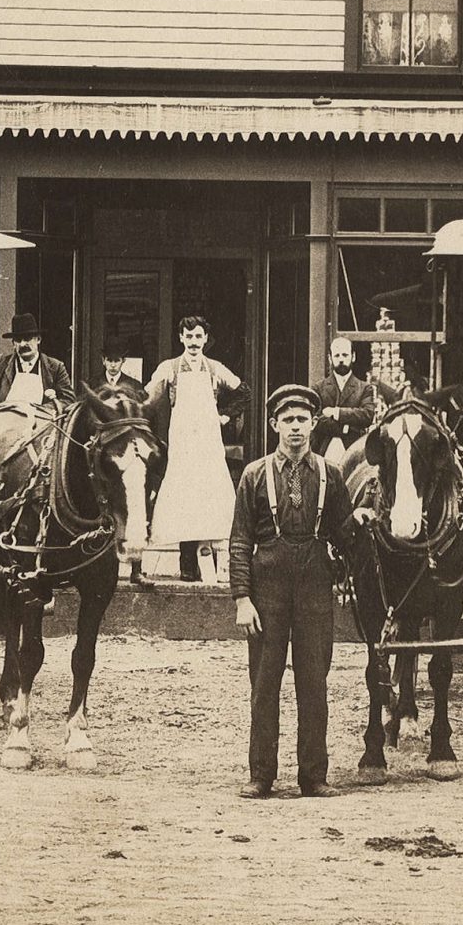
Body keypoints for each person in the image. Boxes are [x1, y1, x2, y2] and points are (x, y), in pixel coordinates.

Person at [229, 384, 361, 799]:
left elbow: (344, 535)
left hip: (315, 586)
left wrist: (365, 526)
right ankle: (261, 774)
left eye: (303, 420)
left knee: (314, 682)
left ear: (314, 424)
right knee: (264, 684)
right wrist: (242, 598)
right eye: (288, 421)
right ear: (274, 425)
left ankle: (314, 776)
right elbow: (238, 542)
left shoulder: (330, 474)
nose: (296, 429)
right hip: (266, 588)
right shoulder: (253, 475)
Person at [147, 316, 241, 581]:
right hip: (183, 444)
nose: (193, 342)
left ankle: (211, 559)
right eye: (188, 337)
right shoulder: (170, 368)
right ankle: (187, 564)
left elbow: (242, 391)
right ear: (180, 338)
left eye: (198, 337)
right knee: (184, 499)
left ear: (205, 339)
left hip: (208, 444)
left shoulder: (215, 368)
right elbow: (149, 400)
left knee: (207, 496)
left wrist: (226, 415)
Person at [0, 312, 77, 413]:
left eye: (28, 338)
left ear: (38, 339)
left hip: (39, 426)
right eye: (18, 340)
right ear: (13, 343)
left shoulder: (55, 367)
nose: (23, 344)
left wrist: (44, 409)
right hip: (4, 425)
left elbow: (68, 400)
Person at [315, 336, 380, 465]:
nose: (341, 360)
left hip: (355, 452)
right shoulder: (318, 388)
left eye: (345, 355)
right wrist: (347, 428)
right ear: (330, 359)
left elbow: (367, 415)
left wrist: (337, 412)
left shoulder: (364, 388)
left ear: (353, 357)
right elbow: (316, 420)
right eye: (337, 356)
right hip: (323, 450)